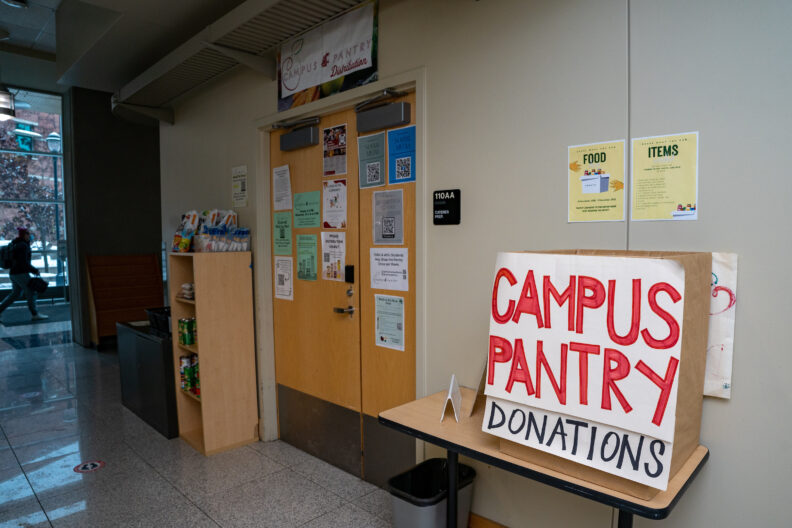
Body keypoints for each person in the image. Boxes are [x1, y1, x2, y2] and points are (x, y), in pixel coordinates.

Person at [0, 227, 48, 321]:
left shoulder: (16, 243)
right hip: (21, 273)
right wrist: (34, 270)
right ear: (24, 235)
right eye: (28, 234)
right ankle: (35, 314)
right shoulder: (22, 246)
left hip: (14, 273)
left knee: (15, 294)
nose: (30, 236)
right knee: (31, 291)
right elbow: (23, 262)